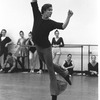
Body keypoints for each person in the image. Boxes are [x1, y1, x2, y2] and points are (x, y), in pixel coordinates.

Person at [31, 0, 73, 100]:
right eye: (49, 10)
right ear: (44, 11)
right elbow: (34, 2)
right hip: (38, 47)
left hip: (46, 49)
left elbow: (63, 26)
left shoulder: (50, 23)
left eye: (52, 10)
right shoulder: (37, 15)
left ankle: (54, 95)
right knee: (50, 65)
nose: (51, 12)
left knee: (50, 70)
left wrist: (68, 17)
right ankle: (65, 74)